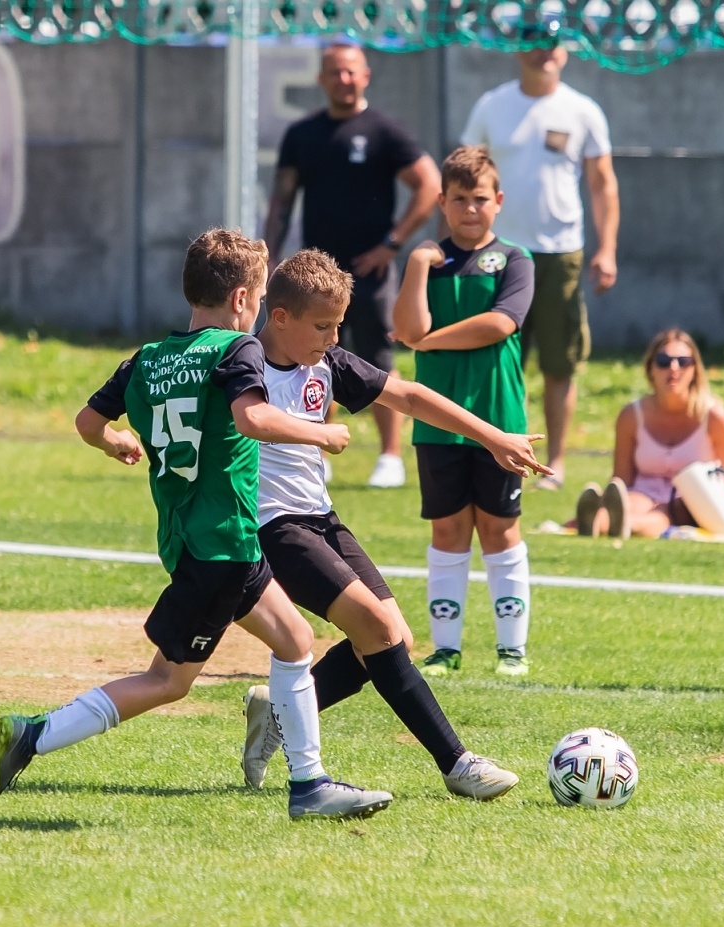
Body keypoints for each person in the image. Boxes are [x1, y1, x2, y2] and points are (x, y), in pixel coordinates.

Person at [0, 229, 394, 821]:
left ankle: (311, 782)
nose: (255, 314)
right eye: (255, 299)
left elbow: (84, 421)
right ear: (239, 300)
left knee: (295, 641)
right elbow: (251, 417)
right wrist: (322, 433)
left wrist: (115, 441)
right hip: (223, 539)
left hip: (187, 539)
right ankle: (33, 734)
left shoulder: (146, 360)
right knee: (168, 681)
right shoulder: (237, 350)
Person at [240, 249, 551, 799]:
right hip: (271, 525)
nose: (334, 338)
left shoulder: (324, 362)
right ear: (279, 317)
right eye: (322, 326)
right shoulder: (241, 363)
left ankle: (281, 709)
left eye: (338, 325)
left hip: (321, 518)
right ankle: (458, 764)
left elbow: (406, 394)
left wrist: (492, 436)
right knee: (377, 631)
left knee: (393, 639)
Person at [265, 42, 442, 489]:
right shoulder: (302, 134)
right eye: (334, 72)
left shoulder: (385, 131)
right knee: (308, 356)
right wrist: (265, 257)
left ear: (365, 75)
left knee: (378, 357)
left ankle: (390, 457)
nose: (343, 80)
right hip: (314, 277)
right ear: (321, 79)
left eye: (351, 72)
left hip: (371, 271)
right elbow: (281, 202)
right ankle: (314, 446)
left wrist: (391, 244)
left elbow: (429, 184)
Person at [393, 146, 537, 678]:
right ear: (441, 202)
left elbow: (500, 324)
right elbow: (407, 329)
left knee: (500, 529)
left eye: (480, 198)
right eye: (459, 199)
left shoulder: (515, 260)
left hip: (499, 419)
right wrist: (415, 264)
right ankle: (446, 650)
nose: (470, 209)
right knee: (448, 530)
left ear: (498, 201)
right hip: (435, 422)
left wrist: (428, 344)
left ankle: (511, 651)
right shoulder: (429, 260)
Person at [460, 22, 619, 490]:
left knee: (558, 361)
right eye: (533, 44)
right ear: (516, 50)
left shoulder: (582, 110)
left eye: (551, 44)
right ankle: (494, 450)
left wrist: (606, 249)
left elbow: (603, 184)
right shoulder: (493, 105)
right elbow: (465, 175)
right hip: (499, 253)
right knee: (498, 359)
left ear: (565, 52)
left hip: (561, 252)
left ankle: (556, 462)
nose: (542, 53)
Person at [575, 329, 724, 539]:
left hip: (692, 498)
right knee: (632, 502)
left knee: (663, 514)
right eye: (664, 361)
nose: (674, 368)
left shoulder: (714, 416)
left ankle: (623, 525)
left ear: (695, 370)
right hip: (645, 490)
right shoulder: (631, 416)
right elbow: (621, 480)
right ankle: (596, 520)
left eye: (683, 362)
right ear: (650, 369)